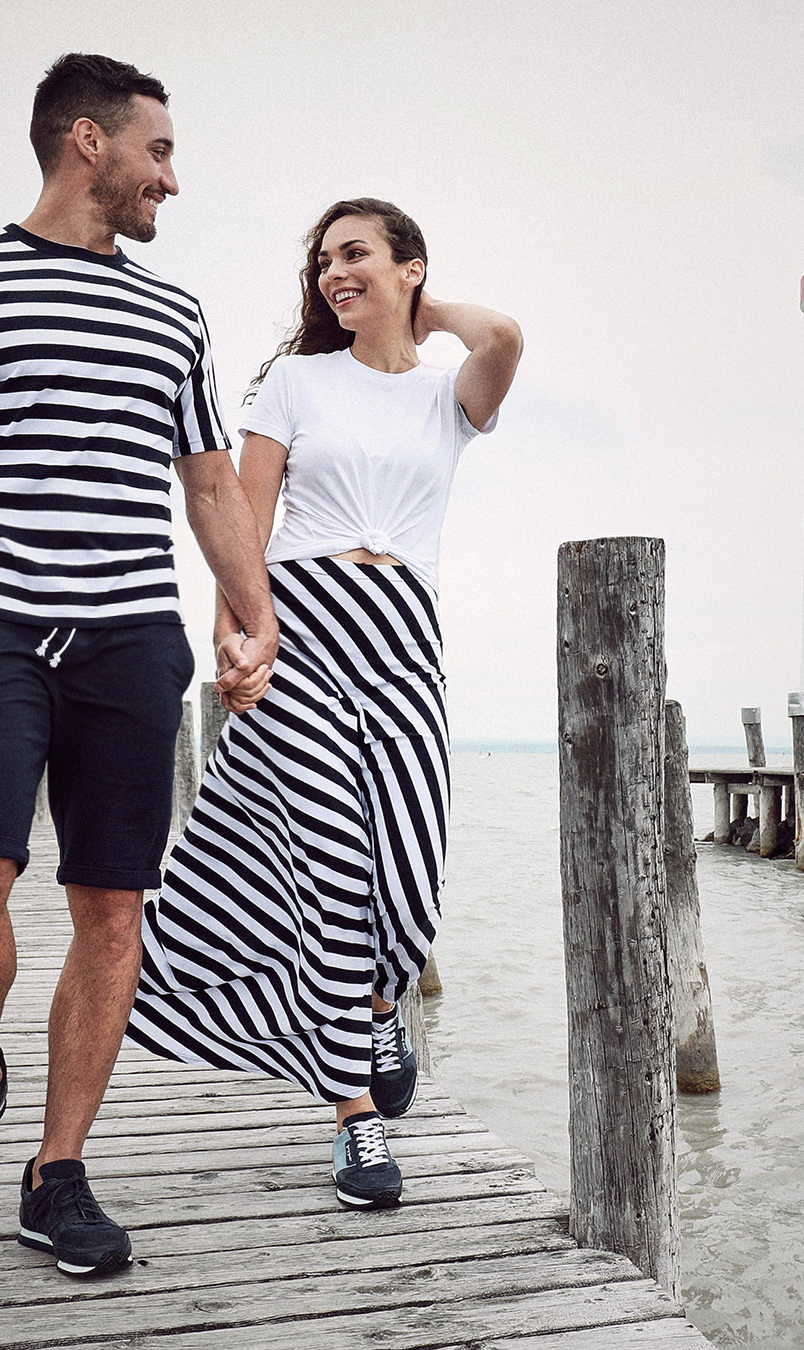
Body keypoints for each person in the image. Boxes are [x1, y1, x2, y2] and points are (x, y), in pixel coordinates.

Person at [0, 53, 279, 1277]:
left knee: (113, 905)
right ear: (90, 141)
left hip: (130, 636)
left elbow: (209, 485)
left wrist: (256, 617)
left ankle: (57, 1171)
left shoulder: (174, 313)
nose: (171, 180)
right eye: (159, 152)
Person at [126, 198, 523, 1208]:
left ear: (410, 265)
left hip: (403, 639)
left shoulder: (445, 397)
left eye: (357, 255)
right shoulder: (296, 382)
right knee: (332, 876)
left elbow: (504, 338)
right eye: (323, 262)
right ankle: (353, 1118)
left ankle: (383, 1003)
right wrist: (234, 636)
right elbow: (241, 524)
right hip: (299, 628)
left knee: (413, 867)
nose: (334, 274)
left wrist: (424, 313)